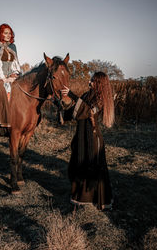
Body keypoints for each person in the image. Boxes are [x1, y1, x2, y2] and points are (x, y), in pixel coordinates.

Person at [61, 72, 114, 210]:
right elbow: (76, 110)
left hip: (92, 137)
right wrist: (61, 107)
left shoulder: (101, 99)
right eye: (90, 80)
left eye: (93, 81)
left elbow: (89, 111)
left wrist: (72, 95)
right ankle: (81, 196)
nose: (89, 82)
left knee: (92, 166)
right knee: (78, 163)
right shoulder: (86, 94)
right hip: (81, 135)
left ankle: (95, 199)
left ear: (99, 83)